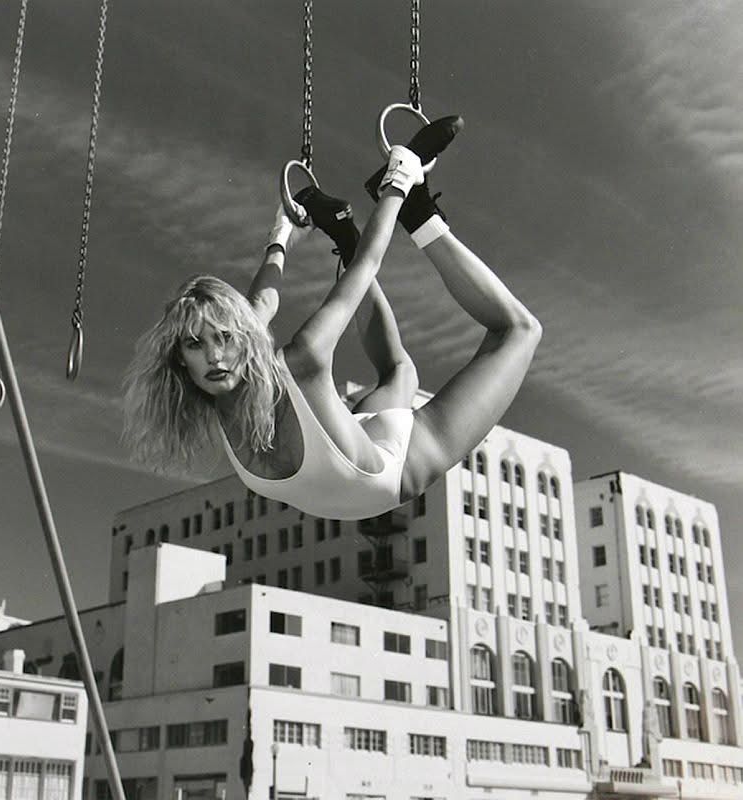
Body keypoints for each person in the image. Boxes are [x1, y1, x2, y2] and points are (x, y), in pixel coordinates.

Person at [123, 117, 542, 519]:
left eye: (225, 337)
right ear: (180, 359)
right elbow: (263, 302)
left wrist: (397, 180)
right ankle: (354, 228)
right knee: (398, 371)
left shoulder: (302, 357)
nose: (215, 356)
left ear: (242, 339)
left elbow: (367, 265)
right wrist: (281, 238)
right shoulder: (244, 359)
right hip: (360, 451)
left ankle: (412, 214)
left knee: (519, 332)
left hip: (393, 462)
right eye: (196, 344)